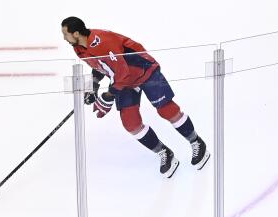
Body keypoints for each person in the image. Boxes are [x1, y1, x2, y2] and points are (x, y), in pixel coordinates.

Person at [61, 16, 210, 178]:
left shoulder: (102, 42)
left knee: (167, 110)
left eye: (65, 34)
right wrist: (93, 88)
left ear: (76, 34)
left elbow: (122, 71)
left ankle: (196, 142)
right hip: (124, 81)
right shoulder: (79, 48)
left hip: (145, 71)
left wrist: (108, 96)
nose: (64, 38)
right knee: (131, 123)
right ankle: (164, 152)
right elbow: (99, 66)